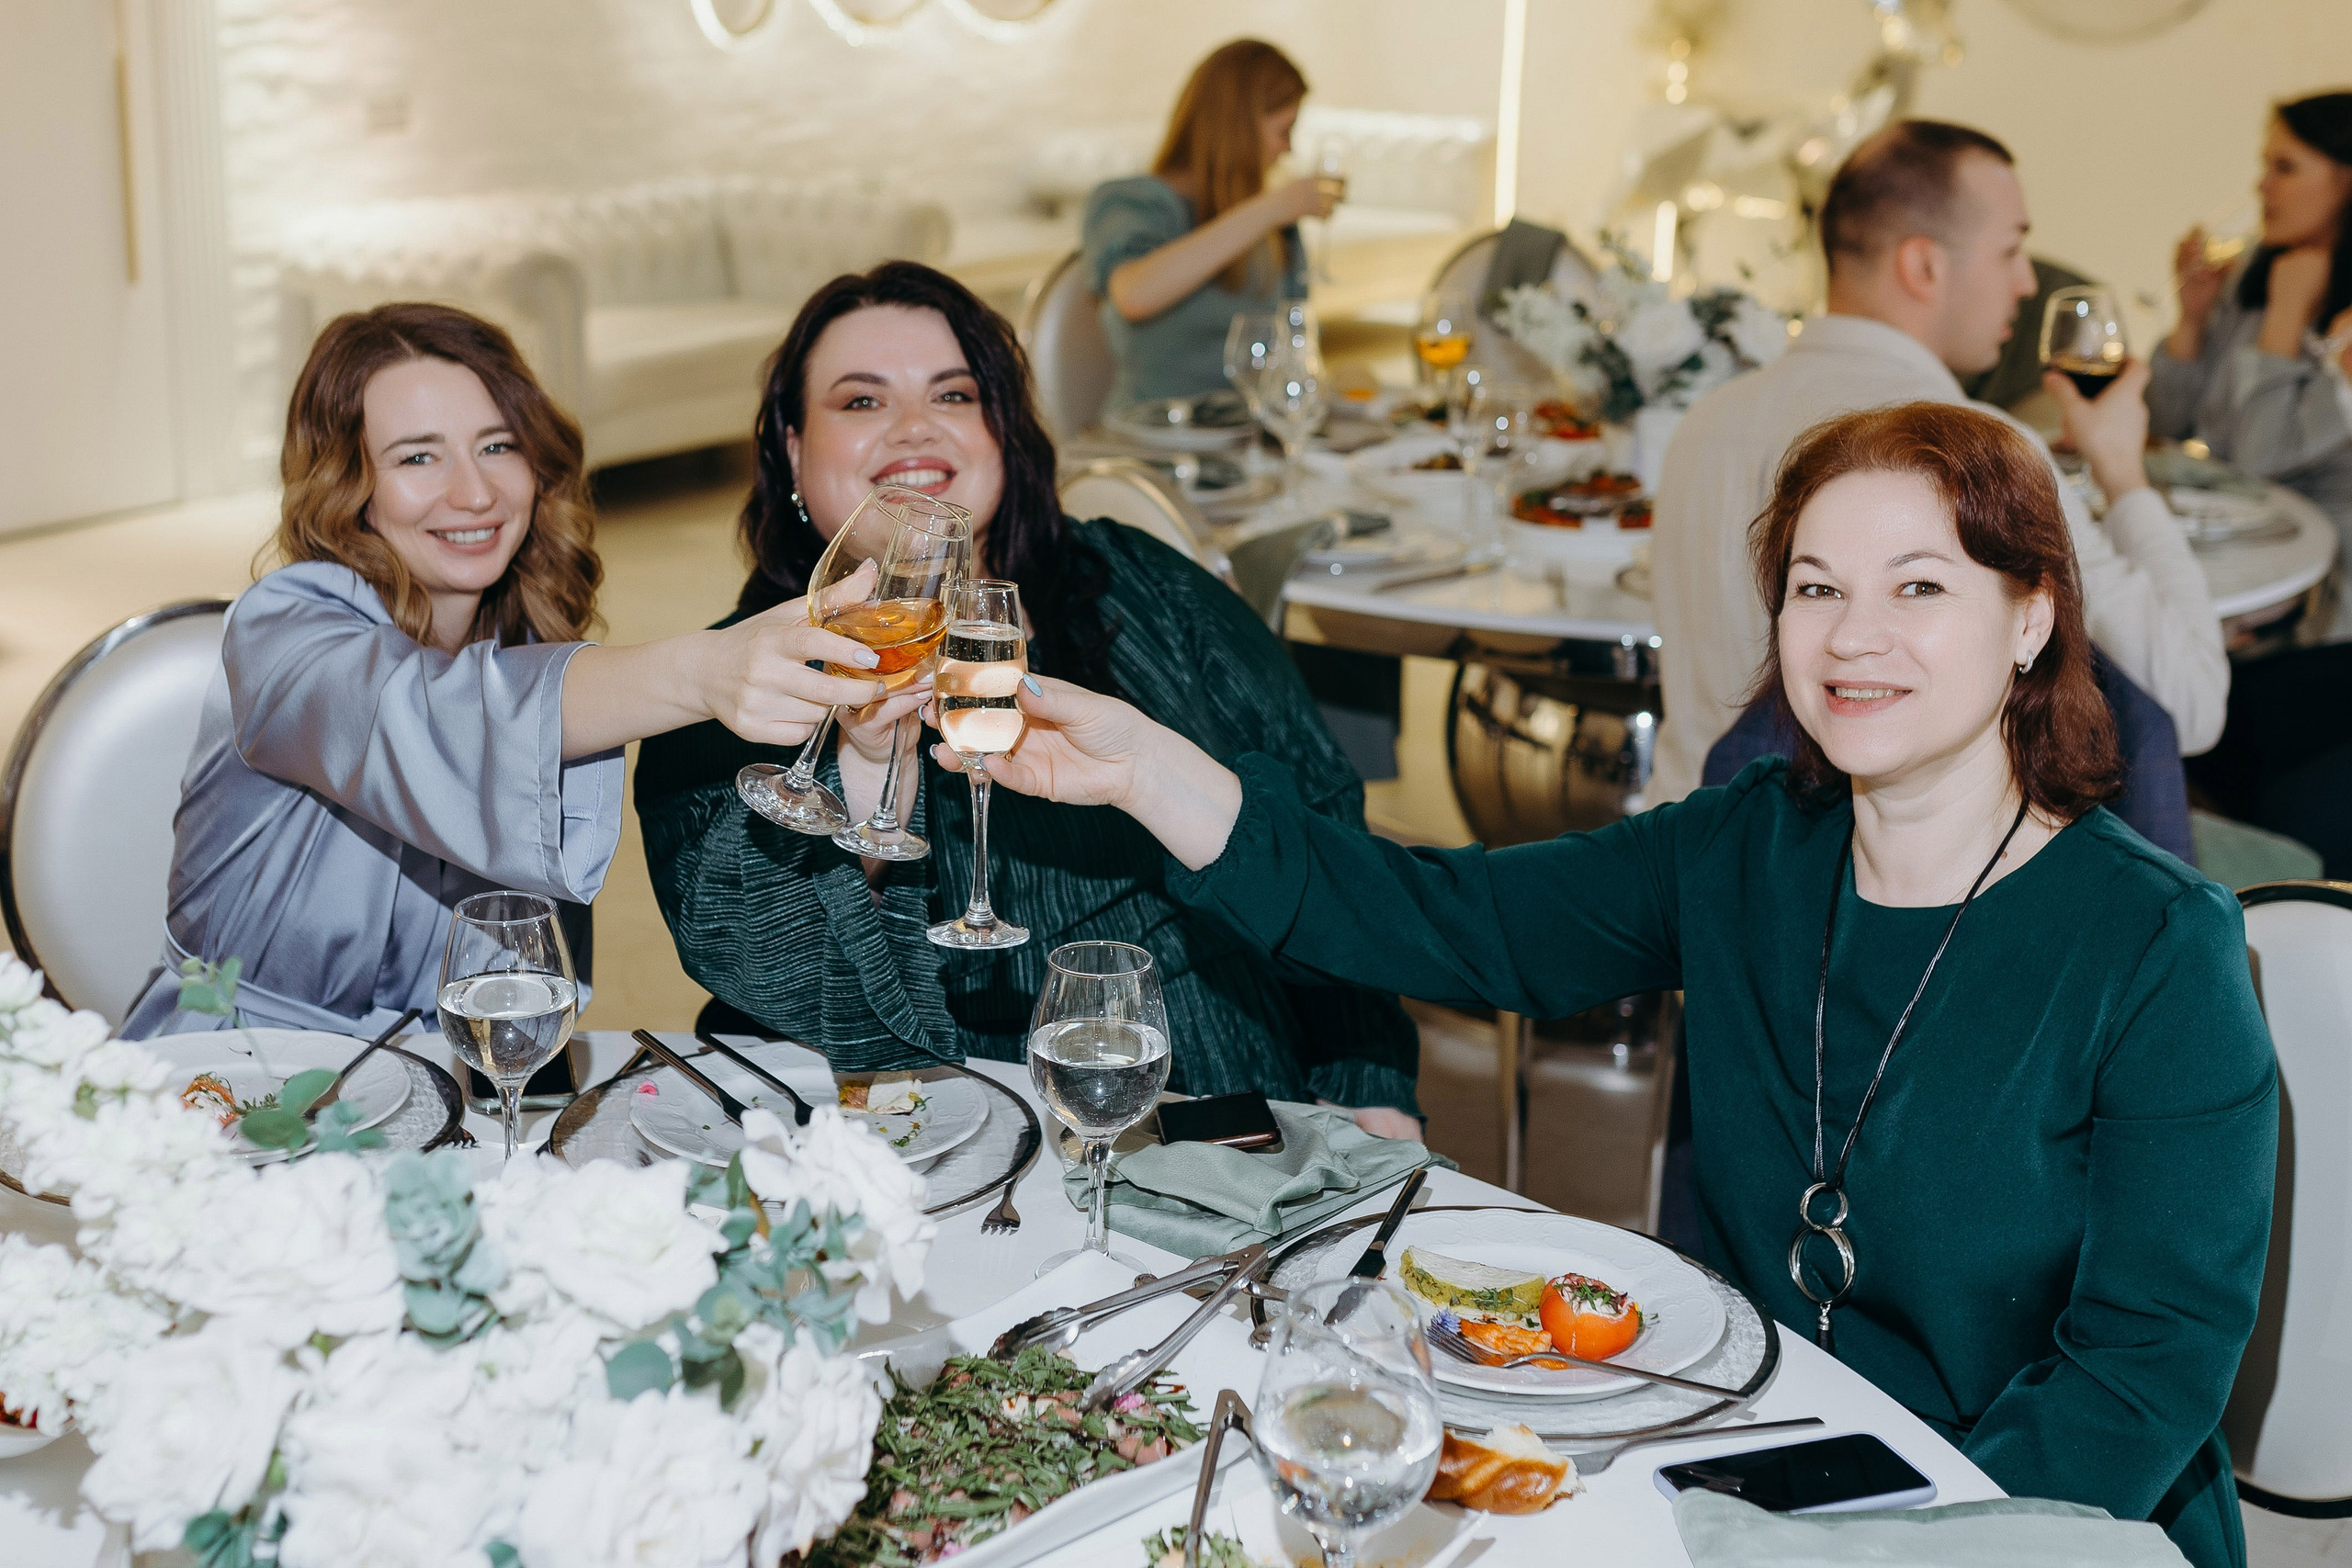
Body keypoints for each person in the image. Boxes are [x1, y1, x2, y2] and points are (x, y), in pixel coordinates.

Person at [964, 401, 2274, 1568]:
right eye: (1815, 588)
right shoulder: (1746, 844)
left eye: (1918, 586)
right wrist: (1143, 769)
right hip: (1759, 1456)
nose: (1854, 637)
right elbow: (1447, 918)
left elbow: (2141, 1376)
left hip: (2036, 1518)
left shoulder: (2158, 948)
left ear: (2031, 614)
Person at [632, 262, 1422, 1136]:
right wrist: (864, 789)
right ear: (790, 448)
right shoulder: (732, 681)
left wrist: (1366, 1082)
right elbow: (759, 966)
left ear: (1002, 428)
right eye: (861, 402)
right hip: (933, 1134)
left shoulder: (1140, 587)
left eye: (955, 394)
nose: (913, 428)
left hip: (1219, 1102)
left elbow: (1320, 820)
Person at [123, 303, 887, 1038]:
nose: (476, 492)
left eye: (497, 445)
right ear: (348, 485)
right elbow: (426, 719)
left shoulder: (527, 646)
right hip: (234, 1076)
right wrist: (701, 671)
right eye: (417, 456)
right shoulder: (281, 634)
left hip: (449, 1093)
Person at [1648, 119, 2228, 805]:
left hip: (1684, 856)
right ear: (1924, 266)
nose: (2026, 282)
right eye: (2011, 250)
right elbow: (2191, 704)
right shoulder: (1974, 451)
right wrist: (2121, 473)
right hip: (1868, 888)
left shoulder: (1703, 424)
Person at [1081, 39, 1330, 413]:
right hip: (1154, 442)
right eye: (1283, 131)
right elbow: (1135, 295)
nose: (1287, 151)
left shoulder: (1274, 228)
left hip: (1252, 439)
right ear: (1238, 128)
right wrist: (1272, 206)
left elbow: (1296, 343)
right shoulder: (1132, 202)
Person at [2155, 91, 2352, 544]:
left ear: (2347, 182)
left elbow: (2257, 462)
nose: (2261, 186)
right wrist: (2192, 322)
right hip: (2234, 537)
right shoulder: (2253, 270)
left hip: (2324, 571)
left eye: (2284, 168)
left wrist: (2287, 314)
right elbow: (2167, 424)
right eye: (2266, 166)